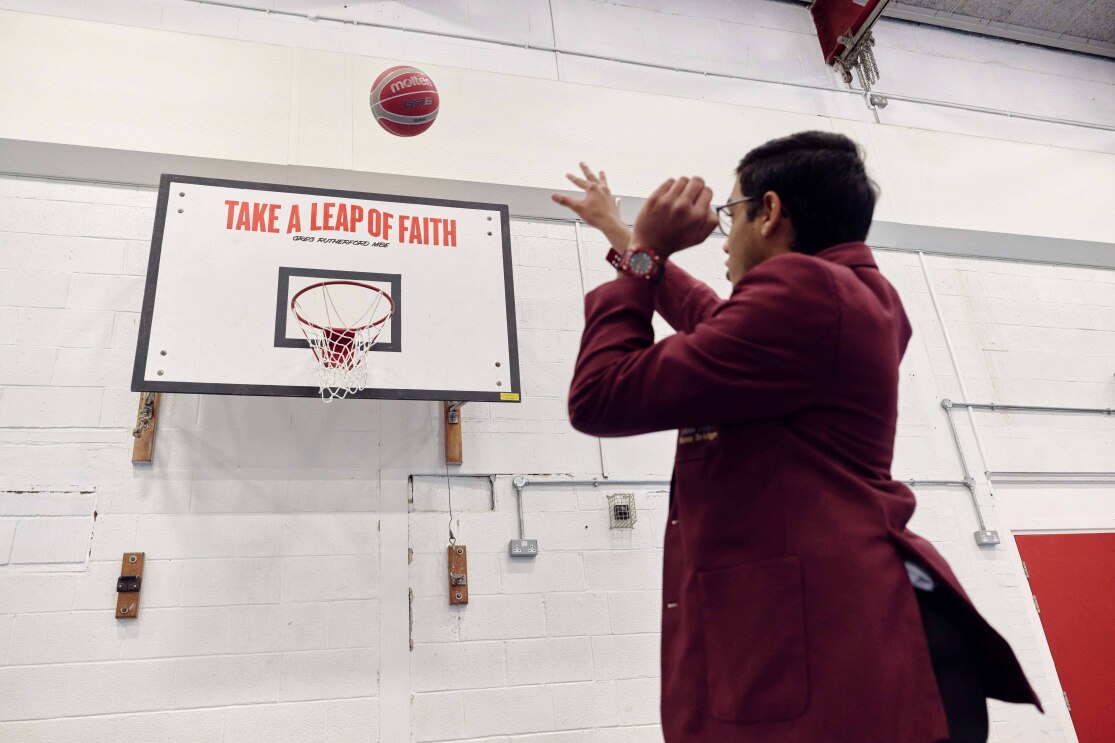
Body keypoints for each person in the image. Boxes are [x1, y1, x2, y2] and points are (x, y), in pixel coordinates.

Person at [552, 131, 1041, 743]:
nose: (724, 238)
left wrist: (647, 248)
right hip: (854, 633)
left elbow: (602, 396)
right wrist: (621, 235)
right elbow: (712, 318)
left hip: (829, 652)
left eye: (732, 214)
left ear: (771, 212)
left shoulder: (808, 295)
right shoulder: (850, 295)